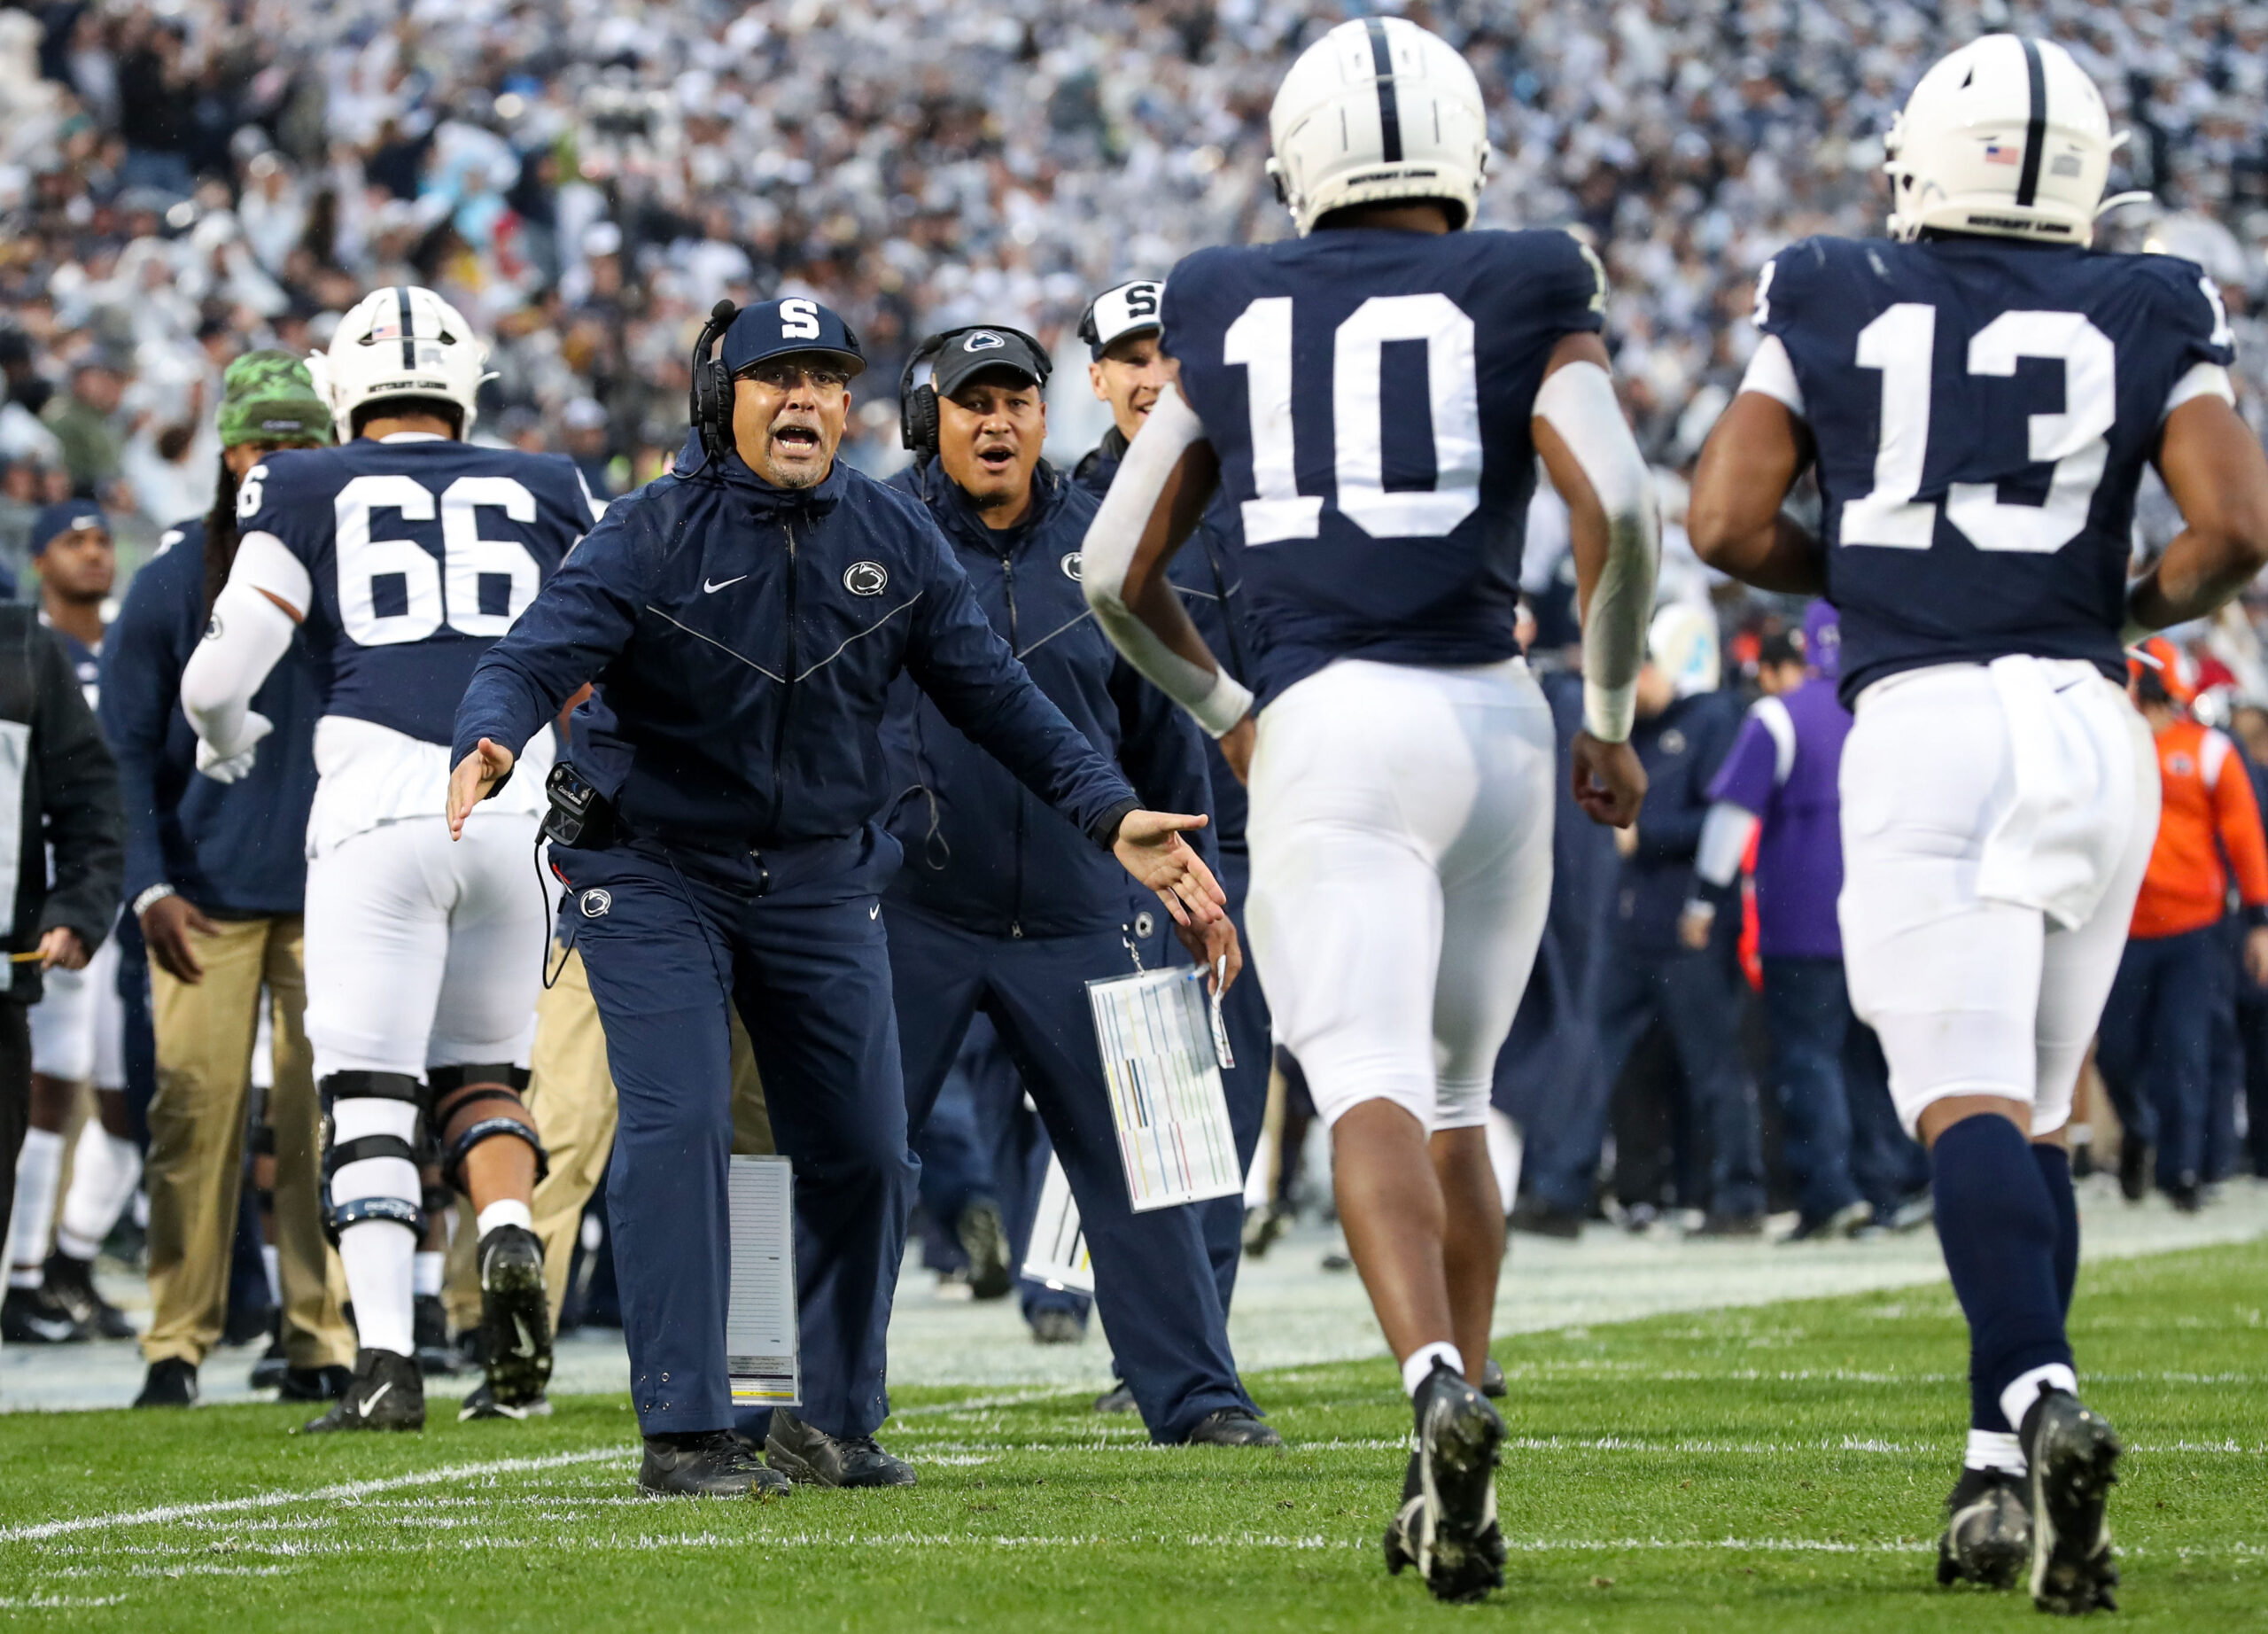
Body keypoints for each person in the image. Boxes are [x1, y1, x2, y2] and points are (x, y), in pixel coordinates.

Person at [448, 296, 1225, 1499]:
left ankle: (859, 1417)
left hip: (875, 882)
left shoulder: (951, 536)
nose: (807, 400)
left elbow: (1007, 701)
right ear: (724, 400)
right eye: (778, 379)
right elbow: (530, 654)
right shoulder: (651, 530)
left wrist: (1117, 816)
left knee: (884, 1153)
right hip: (679, 870)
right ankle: (691, 1427)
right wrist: (491, 735)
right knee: (693, 1124)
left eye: (825, 380)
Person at [1686, 34, 2268, 1612]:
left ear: (1916, 168)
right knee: (2030, 1111)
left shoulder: (1824, 282)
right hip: (2096, 726)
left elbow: (1727, 518)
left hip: (1932, 721)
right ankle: (1997, 1469)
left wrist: (1875, 579)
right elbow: (2238, 528)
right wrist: (2114, 604)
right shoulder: (2156, 298)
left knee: (1963, 1105)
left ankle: (2035, 1388)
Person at [1079, 19, 1658, 1601]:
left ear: (1298, 158)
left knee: (1368, 1089)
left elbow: (1112, 567)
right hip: (1496, 714)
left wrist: (1232, 717)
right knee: (1462, 1091)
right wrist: (1606, 714)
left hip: (1332, 715)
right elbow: (1626, 508)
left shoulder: (1225, 295)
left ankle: (1428, 1390)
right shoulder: (1533, 275)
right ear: (1461, 152)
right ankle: (1459, 1410)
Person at [181, 288, 599, 1431]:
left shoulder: (306, 483)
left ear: (342, 391)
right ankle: (510, 1235)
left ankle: (386, 1367)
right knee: (486, 1073)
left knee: (368, 1090)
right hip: (515, 801)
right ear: (468, 383)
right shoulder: (551, 483)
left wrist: (231, 743)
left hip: (374, 801)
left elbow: (216, 679)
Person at [883, 323, 1270, 1446]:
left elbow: (1163, 739)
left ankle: (1200, 1395)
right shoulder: (881, 539)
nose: (996, 421)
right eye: (972, 403)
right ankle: (815, 1403)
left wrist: (1191, 892)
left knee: (1164, 1162)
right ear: (931, 421)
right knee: (853, 1157)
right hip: (916, 908)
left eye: (1016, 400)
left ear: (1050, 415)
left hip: (1088, 905)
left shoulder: (1110, 546)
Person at [104, 352, 353, 1407]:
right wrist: (149, 883)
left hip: (332, 890)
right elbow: (119, 752)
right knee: (192, 1113)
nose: (283, 463)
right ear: (231, 455)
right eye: (266, 445)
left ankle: (320, 1334)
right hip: (201, 896)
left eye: (304, 445)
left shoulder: (355, 581)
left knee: (322, 1120)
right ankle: (177, 1336)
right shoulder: (170, 582)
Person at [1073, 277, 1273, 1398]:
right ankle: (1163, 1350)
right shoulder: (1069, 511)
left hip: (1265, 833)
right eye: (1129, 356)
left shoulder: (1257, 491)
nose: (1153, 374)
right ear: (1094, 376)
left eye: (1171, 354)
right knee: (1164, 1114)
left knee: (1228, 1105)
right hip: (1140, 843)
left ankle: (1192, 1347)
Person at [1523, 605, 1762, 1235]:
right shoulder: (1643, 731)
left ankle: (1738, 1197)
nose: (1631, 687)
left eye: (1643, 667)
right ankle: (1559, 1191)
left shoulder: (1714, 718)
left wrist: (1643, 832)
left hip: (1690, 923)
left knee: (1714, 1064)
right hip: (1631, 922)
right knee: (1591, 1054)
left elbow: (1724, 823)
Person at [1697, 600, 1928, 1241]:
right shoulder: (1887, 713)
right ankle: (1887, 1187)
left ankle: (1832, 1192)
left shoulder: (1779, 715)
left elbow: (1730, 823)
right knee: (1872, 1058)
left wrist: (1700, 898)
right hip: (1884, 910)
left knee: (1810, 1057)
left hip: (1802, 916)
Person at [2, 503, 137, 1345]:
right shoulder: (27, 640)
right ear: (36, 558)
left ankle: (61, 1263)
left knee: (113, 1087)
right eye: (71, 540)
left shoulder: (109, 640)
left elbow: (100, 786)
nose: (92, 553)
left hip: (81, 901)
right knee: (56, 1078)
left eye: (99, 539)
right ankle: (28, 1271)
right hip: (38, 898)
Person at [2095, 638, 2268, 1210]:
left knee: (2185, 1049)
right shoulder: (2108, 747)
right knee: (2115, 1052)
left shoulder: (2208, 751)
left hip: (2193, 927)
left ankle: (2183, 1170)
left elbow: (2245, 837)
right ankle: (2142, 1128)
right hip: (2122, 926)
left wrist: (2260, 918)